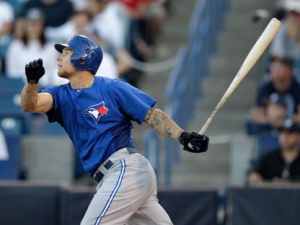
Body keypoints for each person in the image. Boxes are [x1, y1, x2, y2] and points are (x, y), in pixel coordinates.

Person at [20, 34, 209, 224]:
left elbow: (152, 116)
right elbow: (30, 105)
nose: (59, 57)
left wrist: (183, 136)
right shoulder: (60, 94)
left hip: (124, 169)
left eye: (67, 52)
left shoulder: (111, 87)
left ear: (83, 57)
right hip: (114, 177)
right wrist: (31, 83)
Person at [6, 8, 58, 89]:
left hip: (44, 88)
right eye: (31, 24)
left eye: (37, 24)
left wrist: (38, 81)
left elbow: (53, 72)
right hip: (19, 87)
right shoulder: (15, 46)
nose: (34, 28)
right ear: (26, 26)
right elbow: (11, 72)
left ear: (42, 26)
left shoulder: (50, 47)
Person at [250, 56, 300, 124]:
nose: (276, 70)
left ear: (289, 70)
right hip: (269, 129)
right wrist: (273, 119)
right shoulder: (265, 87)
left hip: (291, 129)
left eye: (280, 67)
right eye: (274, 66)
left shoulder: (297, 87)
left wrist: (284, 119)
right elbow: (256, 115)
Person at [248, 119, 300, 183]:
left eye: (289, 133)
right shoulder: (268, 157)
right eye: (282, 133)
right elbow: (254, 174)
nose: (285, 137)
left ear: (298, 136)